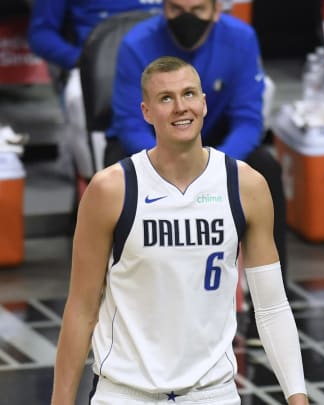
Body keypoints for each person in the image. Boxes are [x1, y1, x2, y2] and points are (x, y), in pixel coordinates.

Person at [51, 56, 308, 405]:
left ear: (203, 102)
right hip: (125, 394)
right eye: (166, 98)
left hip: (213, 393)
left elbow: (272, 306)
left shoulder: (246, 185)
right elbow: (81, 308)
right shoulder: (111, 190)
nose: (180, 107)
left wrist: (298, 397)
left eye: (188, 94)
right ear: (146, 111)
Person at [106, 0, 287, 345]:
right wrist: (163, 163)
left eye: (198, 9)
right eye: (176, 9)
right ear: (162, 8)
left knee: (266, 169)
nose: (186, 17)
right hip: (152, 145)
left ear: (218, 10)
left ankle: (272, 298)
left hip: (213, 140)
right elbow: (130, 122)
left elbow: (249, 119)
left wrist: (212, 168)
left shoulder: (242, 38)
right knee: (114, 172)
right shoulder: (135, 44)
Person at [28, 0, 162, 181]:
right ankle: (98, 181)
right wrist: (84, 61)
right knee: (77, 97)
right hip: (99, 66)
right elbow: (41, 34)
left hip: (168, 57)